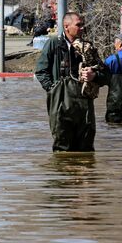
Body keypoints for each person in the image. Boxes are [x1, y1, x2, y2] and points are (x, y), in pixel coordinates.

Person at [34, 12, 110, 152]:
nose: (82, 28)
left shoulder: (88, 47)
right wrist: (53, 89)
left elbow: (106, 75)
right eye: (78, 25)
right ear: (66, 26)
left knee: (86, 146)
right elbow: (41, 71)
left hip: (84, 102)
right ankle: (64, 173)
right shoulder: (54, 44)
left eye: (82, 24)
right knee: (62, 146)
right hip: (61, 101)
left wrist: (94, 76)